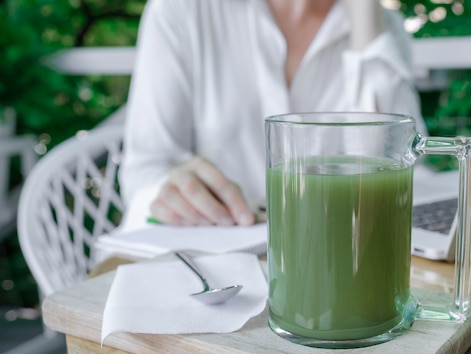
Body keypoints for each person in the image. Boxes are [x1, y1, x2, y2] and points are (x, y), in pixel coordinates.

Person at [119, 0, 426, 231]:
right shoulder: (183, 10)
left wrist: (367, 24)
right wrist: (171, 193)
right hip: (208, 265)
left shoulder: (380, 27)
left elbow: (399, 166)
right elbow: (144, 169)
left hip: (336, 256)